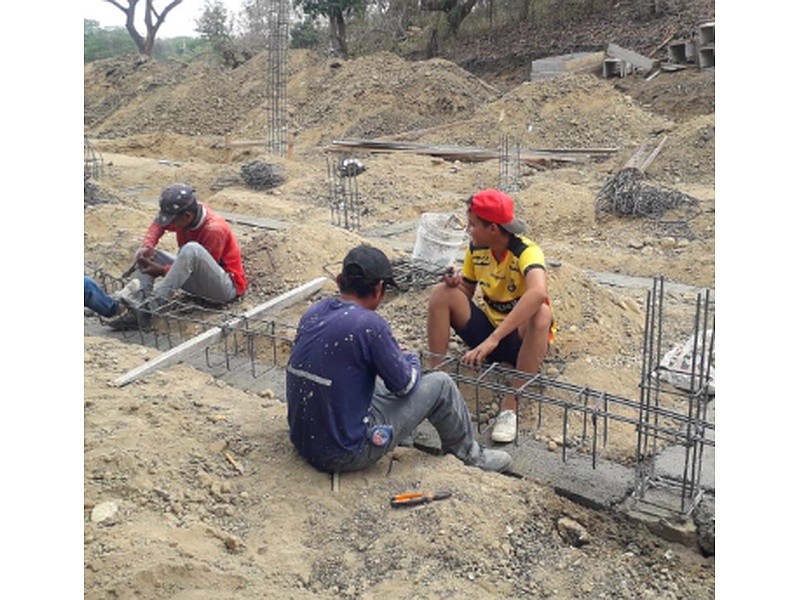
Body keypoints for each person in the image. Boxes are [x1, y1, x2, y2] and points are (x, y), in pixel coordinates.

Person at [285, 245, 512, 475]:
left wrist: (387, 356)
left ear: (340, 279)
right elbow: (405, 386)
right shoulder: (369, 325)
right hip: (346, 453)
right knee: (441, 383)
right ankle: (470, 456)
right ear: (379, 290)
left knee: (364, 373)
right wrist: (409, 358)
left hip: (305, 442)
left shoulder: (315, 311)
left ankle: (406, 435)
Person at [427, 189, 556, 444]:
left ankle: (511, 404)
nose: (468, 230)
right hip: (488, 333)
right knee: (442, 293)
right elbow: (467, 290)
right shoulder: (477, 249)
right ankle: (436, 380)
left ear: (494, 229)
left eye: (473, 224)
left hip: (518, 341)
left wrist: (494, 339)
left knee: (541, 314)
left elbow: (538, 292)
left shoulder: (526, 252)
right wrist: (455, 283)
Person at [108, 184, 247, 330]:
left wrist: (163, 271)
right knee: (149, 254)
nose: (170, 225)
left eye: (172, 221)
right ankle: (133, 302)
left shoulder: (214, 229)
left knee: (191, 249)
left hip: (224, 288)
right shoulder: (188, 215)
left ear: (187, 216)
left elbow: (199, 273)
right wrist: (147, 246)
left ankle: (148, 312)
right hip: (198, 280)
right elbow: (158, 224)